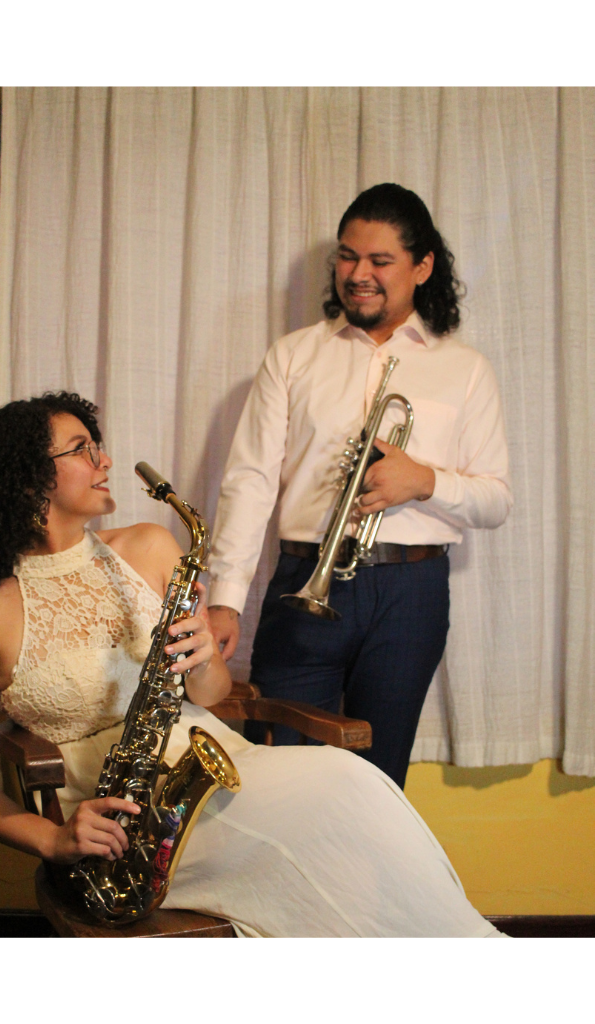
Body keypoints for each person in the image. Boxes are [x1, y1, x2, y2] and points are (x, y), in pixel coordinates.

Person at [0, 391, 505, 938]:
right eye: (82, 449)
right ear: (29, 476)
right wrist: (50, 840)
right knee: (330, 824)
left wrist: (203, 658)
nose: (105, 460)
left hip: (210, 759)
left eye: (97, 444)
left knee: (352, 785)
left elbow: (210, 693)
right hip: (122, 825)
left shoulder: (151, 546)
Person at [208, 183, 513, 790]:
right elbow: (250, 480)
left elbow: (496, 499)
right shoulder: (293, 356)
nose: (358, 274)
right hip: (304, 577)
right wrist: (225, 597)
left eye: (380, 260)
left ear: (422, 267)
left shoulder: (466, 369)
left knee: (379, 781)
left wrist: (424, 481)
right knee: (279, 774)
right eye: (347, 257)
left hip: (411, 592)